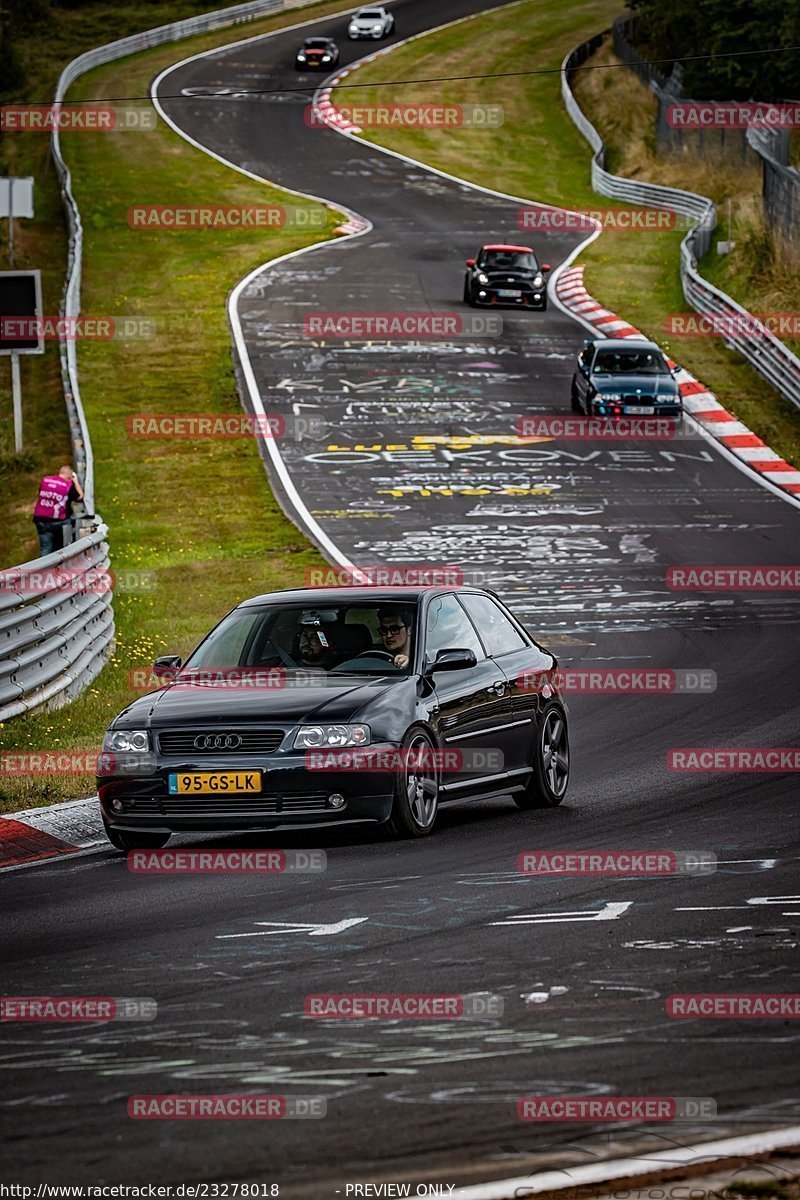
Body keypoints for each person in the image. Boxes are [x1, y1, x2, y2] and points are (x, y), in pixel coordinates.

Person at [32, 465, 83, 557]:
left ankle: (43, 568)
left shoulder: (45, 480)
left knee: (45, 548)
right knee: (59, 548)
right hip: (59, 521)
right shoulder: (68, 486)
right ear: (70, 476)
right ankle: (58, 567)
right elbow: (79, 497)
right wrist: (75, 482)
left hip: (40, 519)